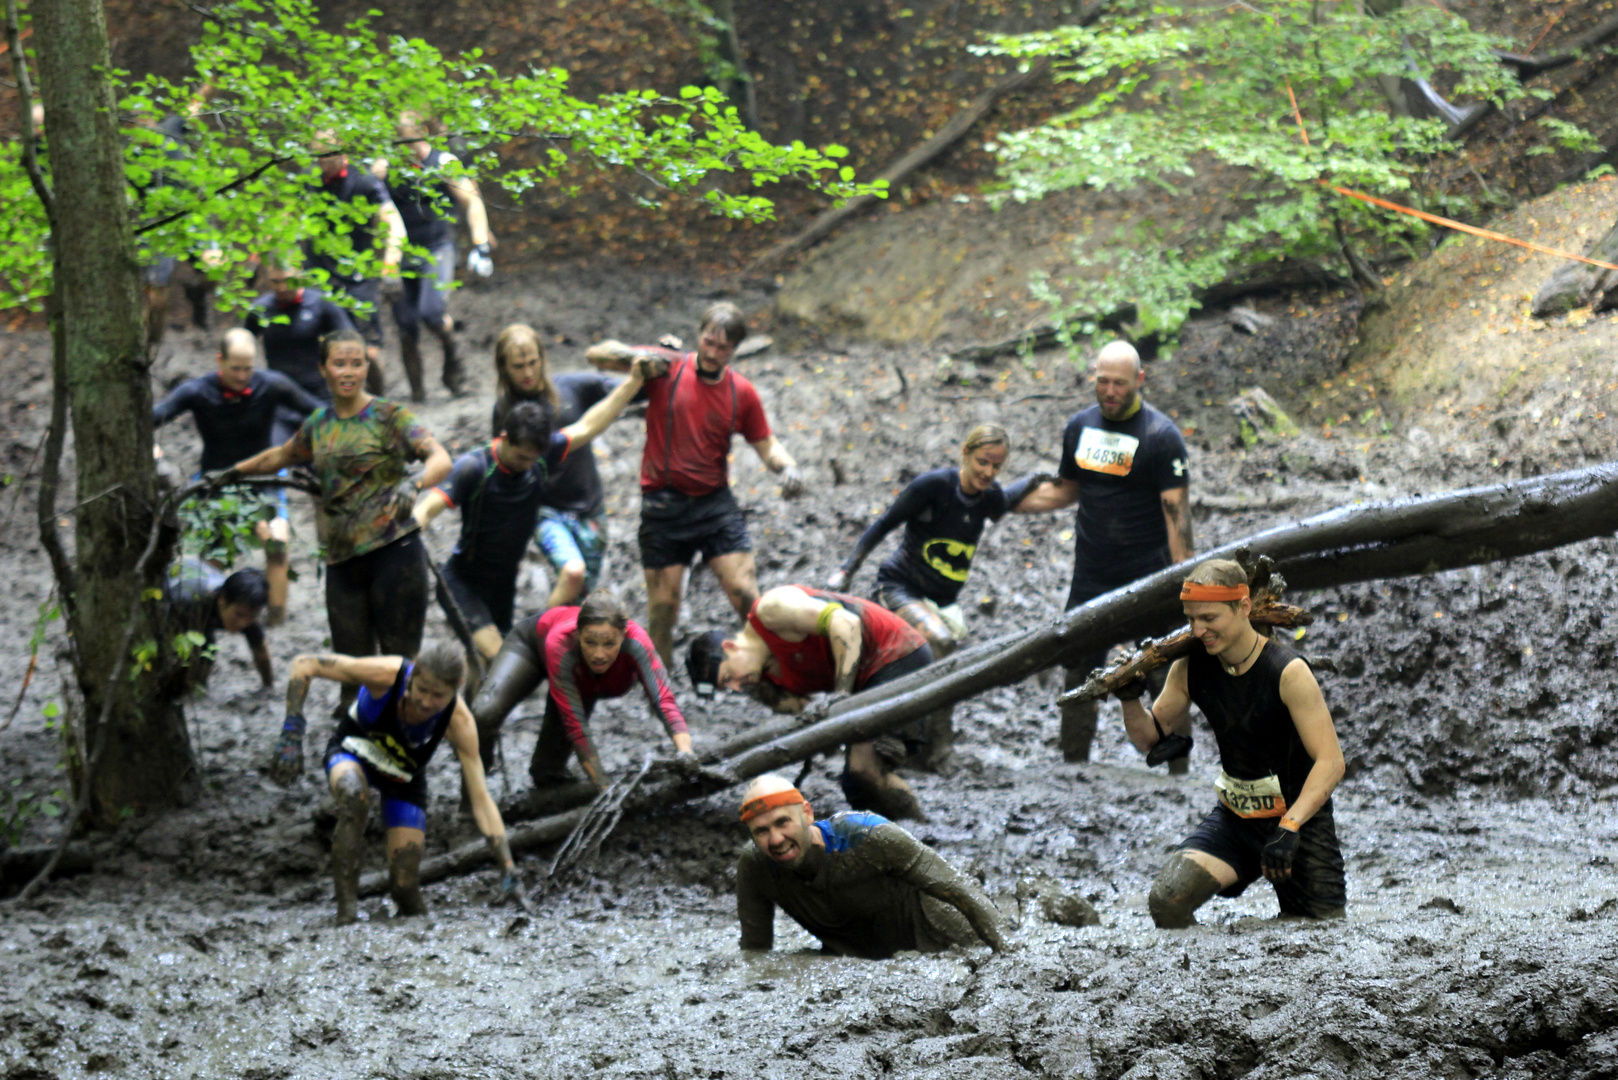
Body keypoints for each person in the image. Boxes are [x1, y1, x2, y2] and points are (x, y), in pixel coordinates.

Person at [211, 329, 451, 715]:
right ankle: (354, 752)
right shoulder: (318, 425)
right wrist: (229, 473)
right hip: (342, 564)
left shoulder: (390, 417)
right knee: (350, 674)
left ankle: (405, 750)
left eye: (357, 363)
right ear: (323, 369)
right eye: (340, 363)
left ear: (366, 366)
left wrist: (415, 482)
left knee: (400, 666)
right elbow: (280, 456)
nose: (349, 371)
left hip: (395, 557)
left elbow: (440, 458)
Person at [1120, 559, 1346, 927]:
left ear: (1242, 608)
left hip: (1298, 821)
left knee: (1323, 930)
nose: (1199, 630)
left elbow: (1331, 762)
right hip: (1238, 818)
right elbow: (1150, 737)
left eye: (1210, 618)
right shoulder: (1191, 666)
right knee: (1167, 901)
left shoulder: (1288, 672)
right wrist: (1129, 698)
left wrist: (1290, 826)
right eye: (1192, 619)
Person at [586, 302, 804, 667]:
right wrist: (636, 358)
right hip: (662, 504)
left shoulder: (741, 392)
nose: (714, 353)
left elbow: (765, 442)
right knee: (662, 607)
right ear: (699, 336)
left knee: (745, 593)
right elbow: (598, 356)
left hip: (713, 503)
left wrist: (787, 467)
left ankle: (772, 670)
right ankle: (662, 685)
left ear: (734, 350)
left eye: (724, 347)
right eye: (709, 342)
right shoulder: (667, 366)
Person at [1011, 340, 1194, 767]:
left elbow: (1177, 516)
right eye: (1103, 382)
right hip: (1091, 573)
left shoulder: (1161, 437)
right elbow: (1066, 488)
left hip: (1149, 574)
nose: (1110, 391)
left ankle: (1178, 770)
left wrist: (1188, 586)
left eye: (1119, 384)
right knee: (1077, 667)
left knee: (1163, 672)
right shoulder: (1080, 427)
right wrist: (1002, 500)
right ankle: (1073, 766)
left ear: (1140, 381)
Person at [410, 357, 656, 661]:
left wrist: (632, 382)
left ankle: (471, 703)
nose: (526, 466)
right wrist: (405, 534)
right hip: (463, 583)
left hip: (504, 585)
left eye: (532, 459)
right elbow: (430, 506)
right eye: (520, 457)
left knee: (488, 673)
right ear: (503, 438)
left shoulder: (541, 455)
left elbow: (589, 426)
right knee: (501, 659)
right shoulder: (474, 468)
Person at [269, 640, 520, 924]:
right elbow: (306, 663)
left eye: (438, 695)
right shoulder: (387, 674)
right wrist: (292, 731)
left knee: (403, 886)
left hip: (404, 779)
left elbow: (481, 799)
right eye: (421, 689)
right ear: (412, 675)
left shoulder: (459, 722)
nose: (426, 702)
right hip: (353, 752)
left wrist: (508, 866)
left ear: (455, 690)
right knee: (353, 795)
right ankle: (346, 915)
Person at [685, 585, 932, 821]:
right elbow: (807, 714)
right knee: (855, 786)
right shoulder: (765, 684)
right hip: (864, 685)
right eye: (728, 687)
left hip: (896, 652)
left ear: (730, 647)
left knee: (863, 767)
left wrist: (841, 692)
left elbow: (846, 623)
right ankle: (895, 834)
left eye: (728, 678)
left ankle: (922, 831)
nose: (736, 687)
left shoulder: (772, 610)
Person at [734, 773, 1008, 958]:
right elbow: (755, 952)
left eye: (783, 822)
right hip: (858, 957)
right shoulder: (755, 865)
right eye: (761, 831)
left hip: (930, 928)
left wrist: (1008, 949)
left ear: (807, 814)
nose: (776, 839)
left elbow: (953, 885)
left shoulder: (865, 834)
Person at [153, 328, 323, 623]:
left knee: (277, 544)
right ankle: (213, 615)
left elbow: (320, 412)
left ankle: (276, 621)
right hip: (215, 482)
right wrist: (155, 454)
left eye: (248, 368)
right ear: (219, 360)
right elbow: (152, 417)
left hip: (264, 479)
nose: (243, 376)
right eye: (235, 368)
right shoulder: (197, 391)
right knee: (215, 553)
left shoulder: (271, 385)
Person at [469, 593, 691, 791]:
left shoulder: (638, 642)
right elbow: (576, 726)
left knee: (547, 772)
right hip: (531, 645)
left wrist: (686, 753)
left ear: (624, 635)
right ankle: (472, 796)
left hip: (582, 679)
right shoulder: (561, 642)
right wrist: (603, 786)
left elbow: (663, 699)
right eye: (590, 642)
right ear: (578, 633)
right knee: (484, 713)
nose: (599, 654)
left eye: (609, 644)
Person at [493, 324, 633, 609]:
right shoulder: (504, 411)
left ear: (543, 358)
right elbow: (504, 473)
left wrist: (642, 368)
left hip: (590, 509)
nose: (528, 373)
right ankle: (536, 639)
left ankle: (563, 645)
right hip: (545, 512)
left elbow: (625, 390)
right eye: (519, 366)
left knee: (581, 596)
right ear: (504, 368)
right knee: (572, 573)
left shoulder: (571, 387)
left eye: (533, 362)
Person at [371, 111, 492, 400]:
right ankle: (418, 393)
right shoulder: (385, 169)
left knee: (432, 314)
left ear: (422, 131)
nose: (403, 144)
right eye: (398, 138)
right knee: (405, 326)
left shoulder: (443, 163)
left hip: (437, 247)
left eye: (408, 136)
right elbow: (372, 210)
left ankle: (454, 362)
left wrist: (481, 243)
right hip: (402, 252)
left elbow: (472, 201)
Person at [307, 134, 406, 392]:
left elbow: (394, 223)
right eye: (316, 155)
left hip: (358, 275)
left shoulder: (363, 180)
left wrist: (390, 267)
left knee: (369, 352)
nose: (320, 162)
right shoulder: (308, 181)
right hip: (319, 275)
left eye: (326, 155)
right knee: (322, 348)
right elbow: (283, 222)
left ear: (342, 153)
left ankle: (380, 404)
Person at [245, 255, 357, 428]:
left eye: (288, 280)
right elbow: (241, 344)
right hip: (279, 396)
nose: (281, 287)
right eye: (275, 281)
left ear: (300, 276)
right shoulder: (260, 309)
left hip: (318, 391)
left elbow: (350, 342)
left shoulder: (321, 303)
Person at [162, 556, 273, 692]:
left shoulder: (244, 609)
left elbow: (260, 650)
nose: (243, 623)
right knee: (207, 647)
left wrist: (268, 686)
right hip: (176, 589)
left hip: (201, 573)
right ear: (222, 600)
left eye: (252, 616)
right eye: (239, 615)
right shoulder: (193, 604)